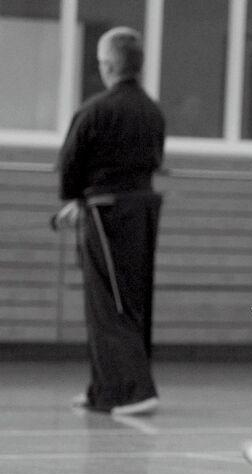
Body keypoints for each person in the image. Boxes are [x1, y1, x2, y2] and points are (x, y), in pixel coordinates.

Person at [53, 26, 165, 416]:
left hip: (107, 215)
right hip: (141, 213)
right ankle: (105, 390)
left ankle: (134, 391)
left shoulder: (94, 110)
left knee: (110, 303)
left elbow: (70, 168)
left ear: (109, 65)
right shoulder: (153, 112)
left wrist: (77, 199)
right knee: (129, 298)